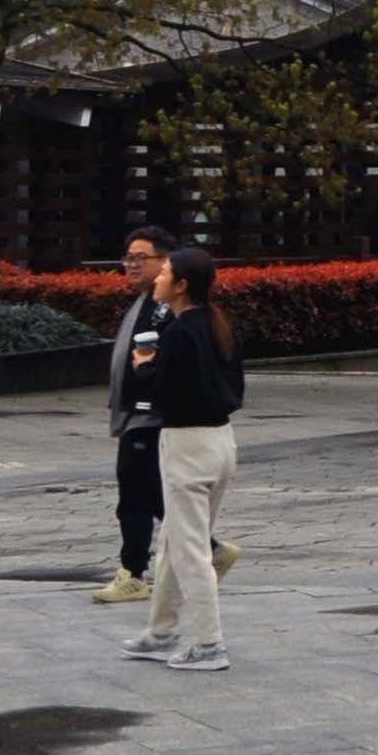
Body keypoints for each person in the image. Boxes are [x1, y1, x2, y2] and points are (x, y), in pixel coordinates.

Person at [118, 246, 245, 672]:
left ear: (182, 285)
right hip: (220, 441)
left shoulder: (179, 332)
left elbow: (167, 390)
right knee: (174, 540)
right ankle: (161, 631)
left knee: (189, 550)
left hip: (187, 445)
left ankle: (209, 645)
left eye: (165, 272)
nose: (157, 278)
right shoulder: (216, 325)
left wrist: (144, 368)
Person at [97, 230, 232, 607]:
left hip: (151, 419)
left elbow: (165, 372)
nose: (134, 265)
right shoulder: (148, 303)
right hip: (143, 417)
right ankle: (204, 553)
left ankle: (136, 572)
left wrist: (144, 377)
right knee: (151, 496)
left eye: (144, 258)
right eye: (128, 257)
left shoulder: (169, 315)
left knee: (141, 497)